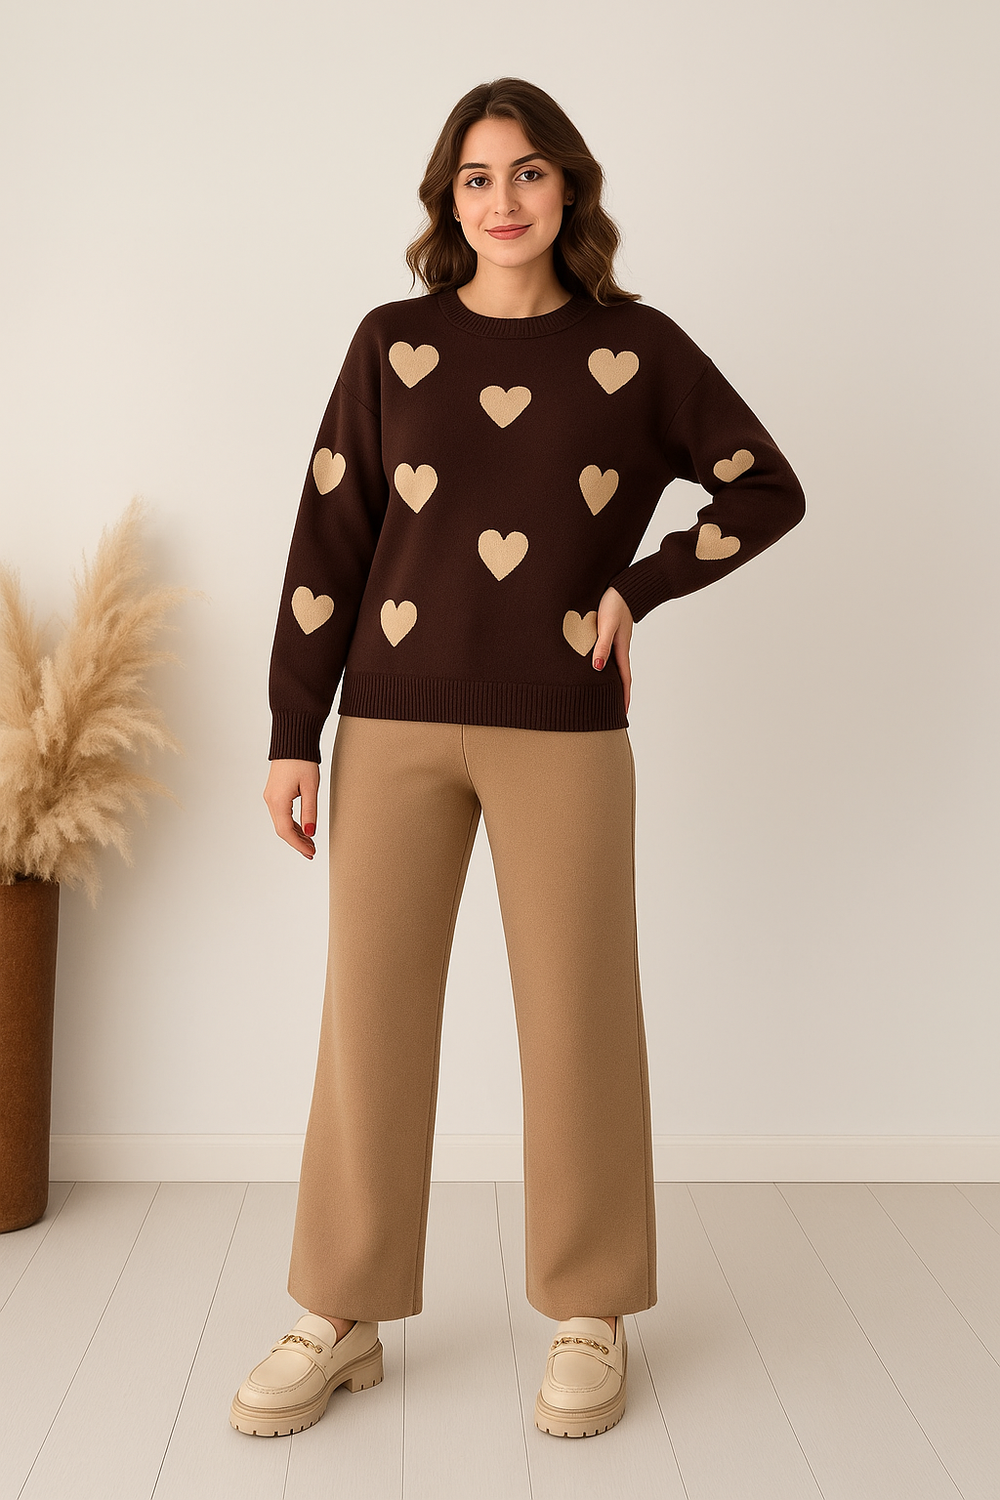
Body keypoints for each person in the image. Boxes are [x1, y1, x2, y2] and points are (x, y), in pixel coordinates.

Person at [230, 75, 806, 1441]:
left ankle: (590, 1311)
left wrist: (640, 586)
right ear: (449, 199)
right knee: (368, 1017)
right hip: (390, 724)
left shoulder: (637, 348)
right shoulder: (393, 344)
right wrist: (292, 732)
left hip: (564, 729)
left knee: (579, 1013)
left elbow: (765, 484)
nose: (504, 200)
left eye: (530, 172)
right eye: (478, 178)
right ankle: (340, 1314)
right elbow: (329, 538)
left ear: (570, 189)